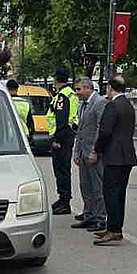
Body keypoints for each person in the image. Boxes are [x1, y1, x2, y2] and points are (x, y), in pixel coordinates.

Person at [92, 75, 137, 245]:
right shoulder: (128, 105)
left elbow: (105, 132)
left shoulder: (112, 106)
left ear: (111, 87)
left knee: (110, 192)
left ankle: (113, 230)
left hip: (114, 155)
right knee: (119, 194)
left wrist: (97, 150)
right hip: (127, 155)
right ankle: (115, 227)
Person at [71, 78, 108, 232]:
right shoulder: (82, 105)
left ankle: (100, 218)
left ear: (87, 88)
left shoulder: (99, 103)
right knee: (85, 186)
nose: (76, 93)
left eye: (79, 89)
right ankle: (89, 215)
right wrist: (76, 151)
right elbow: (81, 130)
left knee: (97, 187)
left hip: (94, 153)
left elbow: (101, 128)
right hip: (83, 152)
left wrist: (95, 150)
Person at [47, 68, 79, 214]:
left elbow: (61, 119)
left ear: (56, 79)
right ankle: (63, 199)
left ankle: (65, 202)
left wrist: (56, 139)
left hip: (62, 137)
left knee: (61, 170)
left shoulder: (62, 96)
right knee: (62, 169)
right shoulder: (70, 93)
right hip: (67, 135)